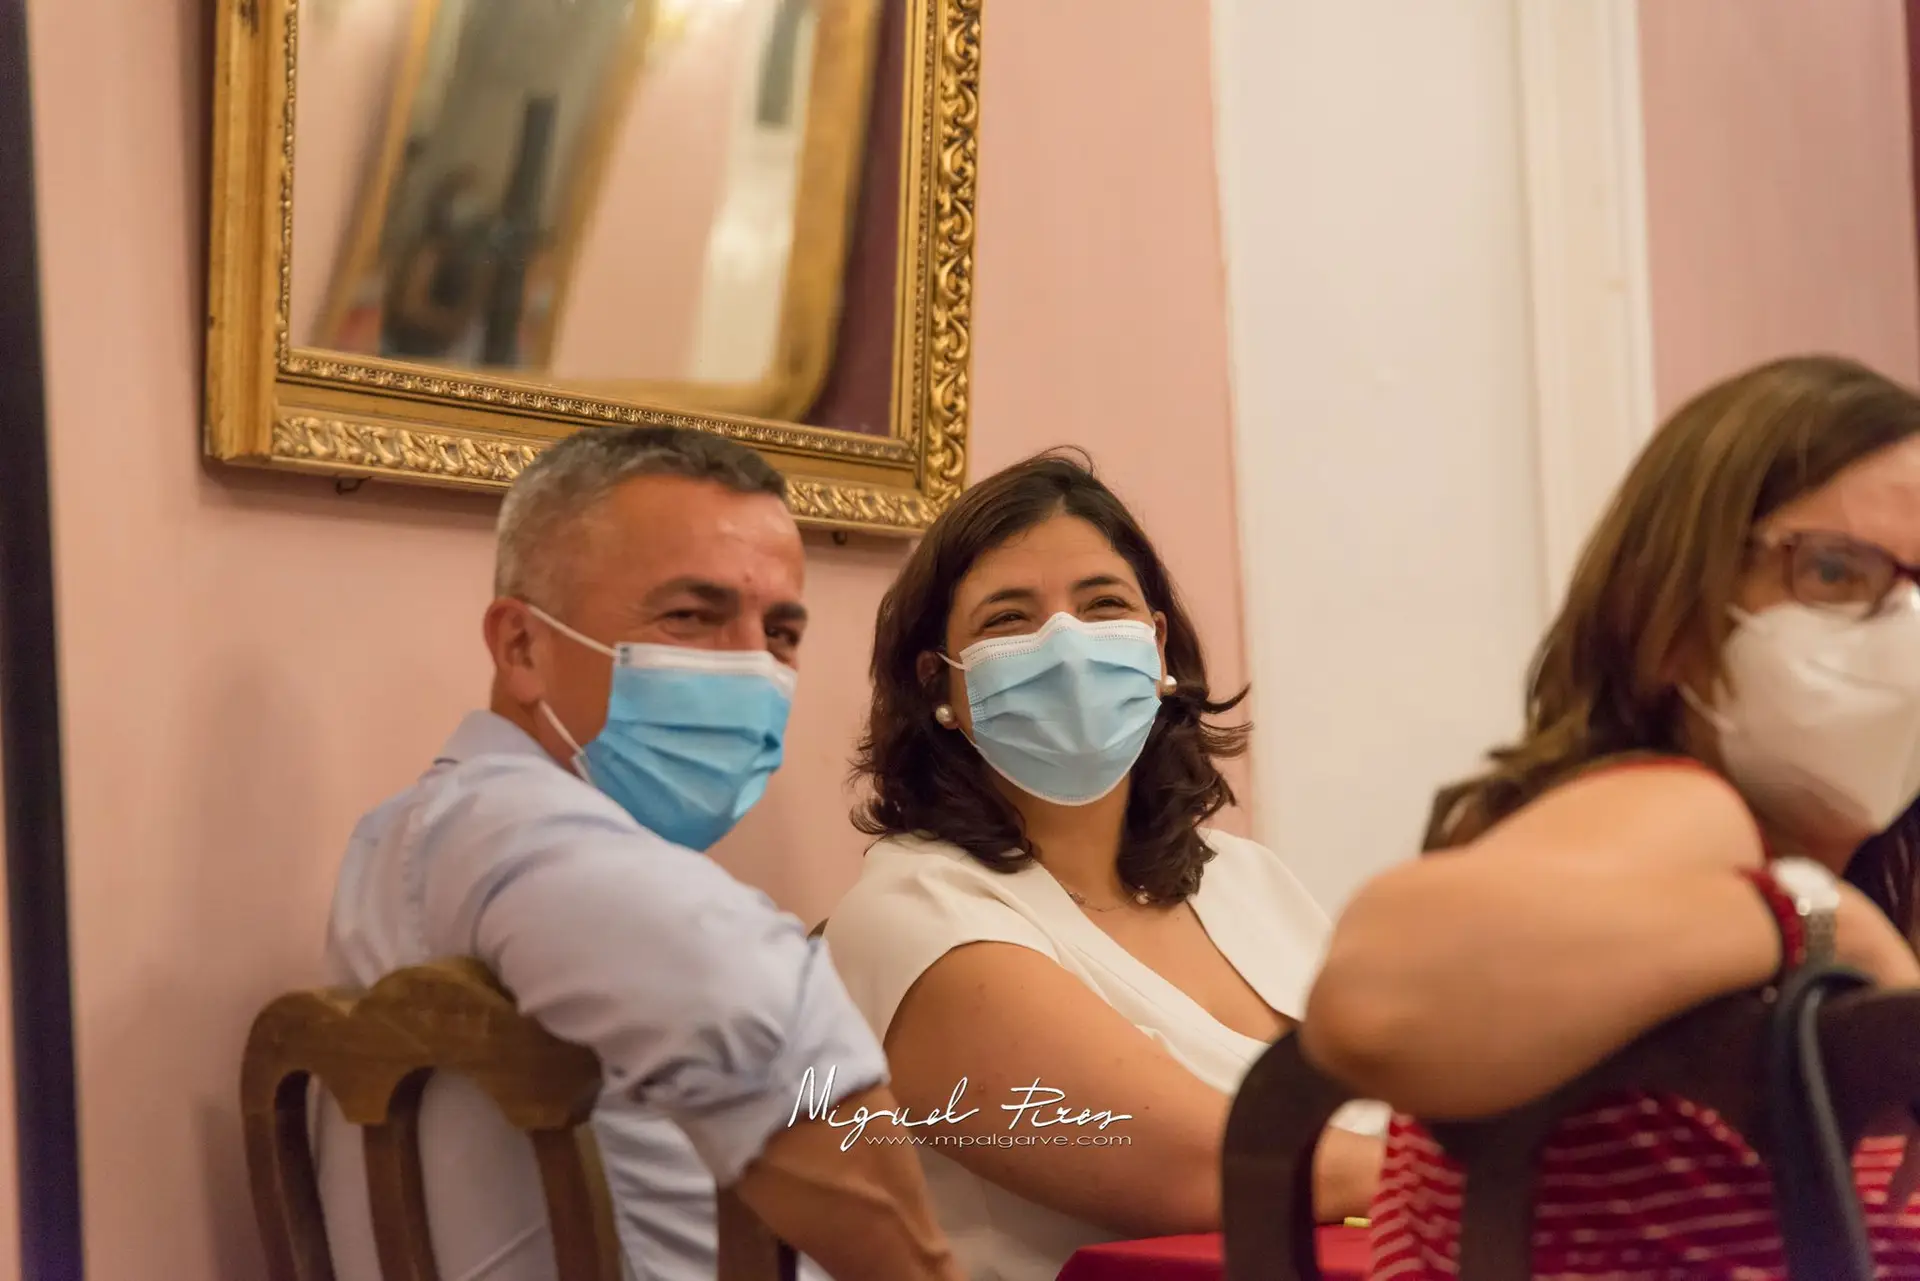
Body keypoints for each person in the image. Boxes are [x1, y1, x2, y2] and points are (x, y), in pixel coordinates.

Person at [1304, 355, 1920, 1278]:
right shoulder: (1680, 808)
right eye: (1833, 570)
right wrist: (1813, 913)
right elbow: (1375, 1002)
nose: (1904, 627)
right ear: (1674, 618)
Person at [313, 426, 961, 1281]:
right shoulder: (508, 828)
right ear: (522, 647)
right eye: (690, 617)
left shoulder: (406, 833)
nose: (752, 668)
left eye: (780, 633)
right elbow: (765, 1013)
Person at [823, 453, 1386, 1281]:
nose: (1067, 645)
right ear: (941, 684)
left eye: (1103, 605)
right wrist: (1472, 1168)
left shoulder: (1246, 878)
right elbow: (1201, 1168)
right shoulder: (910, 914)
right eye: (1009, 619)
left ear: (1156, 648)